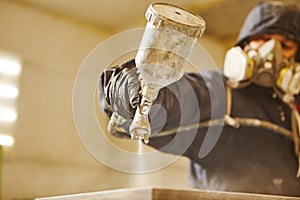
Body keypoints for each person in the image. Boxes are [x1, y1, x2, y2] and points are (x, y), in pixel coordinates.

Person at [98, 0, 300, 196]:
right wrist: (127, 89)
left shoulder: (295, 110)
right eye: (264, 39)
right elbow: (173, 100)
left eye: (285, 45)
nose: (273, 52)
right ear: (245, 45)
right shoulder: (217, 94)